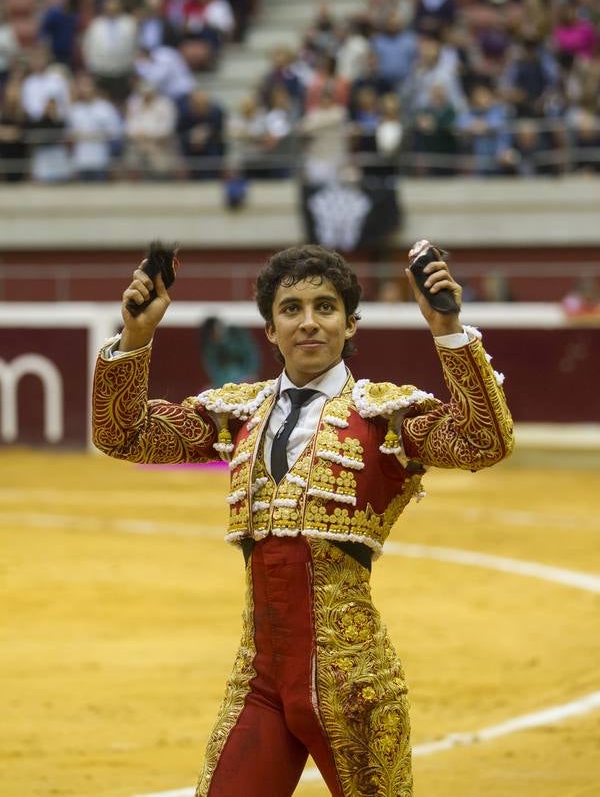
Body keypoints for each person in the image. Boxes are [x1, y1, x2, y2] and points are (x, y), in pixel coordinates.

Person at [92, 242, 514, 797]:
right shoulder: (239, 414)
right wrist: (137, 336)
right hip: (260, 682)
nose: (309, 322)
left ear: (350, 324)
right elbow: (122, 434)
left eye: (325, 307)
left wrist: (447, 330)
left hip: (354, 685)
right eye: (291, 309)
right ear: (270, 330)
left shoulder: (383, 417)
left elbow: (484, 442)